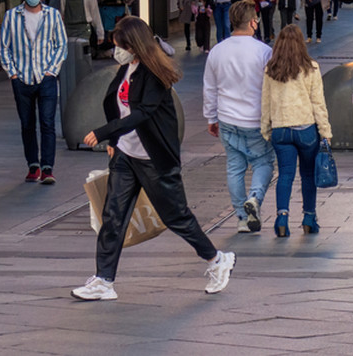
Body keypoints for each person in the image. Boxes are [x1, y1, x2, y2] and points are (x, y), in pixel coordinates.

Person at [74, 16, 234, 301]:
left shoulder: (154, 74)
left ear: (134, 46)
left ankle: (217, 259)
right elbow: (119, 107)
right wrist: (115, 140)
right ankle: (103, 281)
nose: (116, 51)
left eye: (120, 45)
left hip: (154, 159)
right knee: (112, 217)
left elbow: (141, 114)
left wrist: (103, 132)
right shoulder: (128, 67)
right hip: (126, 155)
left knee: (177, 217)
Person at [202, 0, 275, 233]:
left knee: (235, 167)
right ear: (253, 22)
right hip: (256, 120)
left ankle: (242, 218)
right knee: (263, 162)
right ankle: (254, 198)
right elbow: (271, 87)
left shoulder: (217, 51)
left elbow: (210, 88)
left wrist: (211, 117)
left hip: (227, 119)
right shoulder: (264, 52)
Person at [259, 25, 333, 238]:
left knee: (285, 175)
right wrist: (325, 131)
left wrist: (266, 129)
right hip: (306, 129)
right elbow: (318, 103)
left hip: (281, 130)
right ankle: (309, 218)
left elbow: (265, 102)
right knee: (308, 175)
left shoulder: (270, 69)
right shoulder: (311, 68)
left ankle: (282, 218)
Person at [0, 0, 67, 184]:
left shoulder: (53, 16)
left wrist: (52, 71)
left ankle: (47, 167)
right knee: (27, 123)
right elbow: (4, 46)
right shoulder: (12, 16)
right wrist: (12, 73)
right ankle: (33, 165)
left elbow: (61, 45)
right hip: (21, 78)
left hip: (46, 77)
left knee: (47, 122)